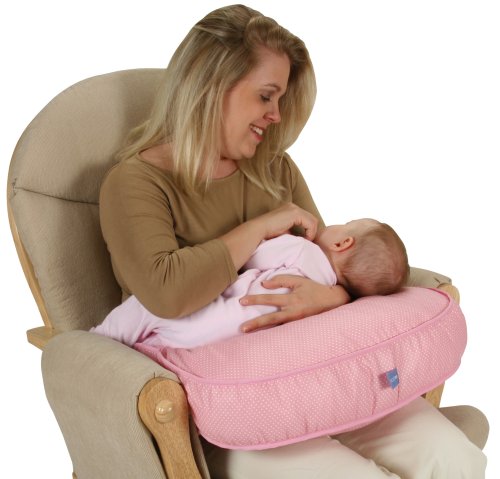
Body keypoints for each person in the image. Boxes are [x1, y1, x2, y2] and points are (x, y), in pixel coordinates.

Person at [98, 4, 486, 478]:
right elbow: (166, 294)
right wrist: (261, 227)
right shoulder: (136, 183)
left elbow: (334, 264)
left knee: (454, 458)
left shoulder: (273, 169)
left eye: (280, 99)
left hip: (318, 376)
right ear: (212, 85)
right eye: (266, 96)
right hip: (223, 411)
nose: (276, 115)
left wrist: (331, 298)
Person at [92, 218, 409, 348]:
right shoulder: (324, 299)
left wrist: (266, 236)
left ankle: (100, 340)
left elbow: (251, 257)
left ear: (343, 243)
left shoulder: (302, 250)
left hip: (212, 314)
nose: (334, 222)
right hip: (230, 341)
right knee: (170, 336)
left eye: (345, 223)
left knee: (147, 308)